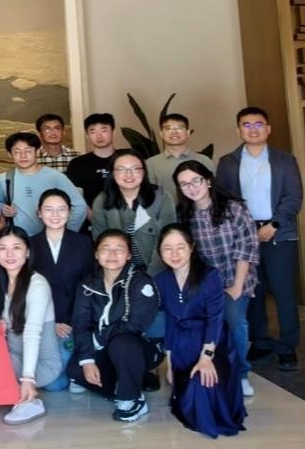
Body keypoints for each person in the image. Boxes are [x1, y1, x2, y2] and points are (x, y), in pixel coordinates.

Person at [215, 107, 302, 372]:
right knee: (253, 291)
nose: (253, 129)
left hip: (279, 232)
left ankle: (287, 347)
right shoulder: (228, 162)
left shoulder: (285, 160)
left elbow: (293, 197)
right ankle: (261, 341)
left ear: (268, 128)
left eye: (258, 124)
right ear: (238, 130)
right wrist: (243, 230)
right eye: (247, 125)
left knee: (284, 292)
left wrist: (273, 225)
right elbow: (223, 199)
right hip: (243, 234)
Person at [176, 160, 259, 398]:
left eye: (196, 181)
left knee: (234, 320)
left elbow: (246, 248)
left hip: (236, 278)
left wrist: (236, 287)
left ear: (208, 181)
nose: (192, 188)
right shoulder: (184, 215)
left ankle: (241, 373)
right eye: (184, 184)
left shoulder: (234, 209)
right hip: (204, 284)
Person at [155, 224, 247, 437]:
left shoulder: (209, 275)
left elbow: (215, 320)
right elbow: (170, 323)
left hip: (212, 342)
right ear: (160, 251)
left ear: (192, 247)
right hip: (182, 345)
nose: (174, 254)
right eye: (167, 248)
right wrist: (169, 365)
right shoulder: (161, 281)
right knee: (189, 395)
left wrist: (206, 358)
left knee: (204, 385)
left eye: (180, 247)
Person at [67, 229, 162, 422]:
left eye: (119, 249)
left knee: (122, 343)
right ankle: (124, 386)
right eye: (106, 248)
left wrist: (98, 338)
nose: (112, 254)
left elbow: (135, 324)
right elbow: (80, 324)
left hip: (139, 348)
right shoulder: (87, 284)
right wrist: (87, 360)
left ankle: (132, 399)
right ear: (96, 254)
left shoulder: (140, 281)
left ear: (128, 255)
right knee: (76, 370)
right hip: (104, 347)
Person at [0, 226, 62, 426]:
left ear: (28, 252)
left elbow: (32, 334)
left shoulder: (37, 285)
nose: (9, 254)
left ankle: (29, 400)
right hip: (13, 355)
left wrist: (27, 379)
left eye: (16, 247)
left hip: (40, 364)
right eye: (2, 248)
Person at [28, 190, 95, 393]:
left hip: (76, 320)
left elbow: (88, 288)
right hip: (46, 321)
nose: (55, 215)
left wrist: (70, 321)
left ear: (70, 212)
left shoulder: (84, 243)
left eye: (61, 209)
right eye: (49, 210)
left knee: (69, 376)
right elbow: (26, 291)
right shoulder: (29, 245)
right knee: (55, 384)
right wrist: (52, 322)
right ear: (39, 213)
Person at [90, 150, 176, 275]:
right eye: (121, 169)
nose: (128, 174)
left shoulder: (162, 197)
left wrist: (149, 277)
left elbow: (167, 240)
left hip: (156, 271)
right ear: (112, 173)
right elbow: (100, 241)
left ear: (144, 172)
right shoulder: (102, 200)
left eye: (135, 169)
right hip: (117, 271)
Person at [0, 132, 86, 234]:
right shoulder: (4, 178)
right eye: (17, 152)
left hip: (48, 238)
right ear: (10, 155)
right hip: (17, 238)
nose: (23, 156)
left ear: (38, 152)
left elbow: (79, 205)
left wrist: (68, 233)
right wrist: (2, 208)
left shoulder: (55, 176)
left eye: (28, 151)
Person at [145, 113, 214, 200]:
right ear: (161, 134)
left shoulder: (204, 161)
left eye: (179, 127)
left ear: (188, 133)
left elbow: (212, 191)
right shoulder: (151, 163)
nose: (174, 132)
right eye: (168, 128)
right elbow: (149, 194)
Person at [64, 113, 118, 218]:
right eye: (93, 131)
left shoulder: (126, 158)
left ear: (113, 132)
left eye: (104, 130)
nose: (99, 136)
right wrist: (94, 219)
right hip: (90, 220)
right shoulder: (77, 164)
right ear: (87, 135)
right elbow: (76, 196)